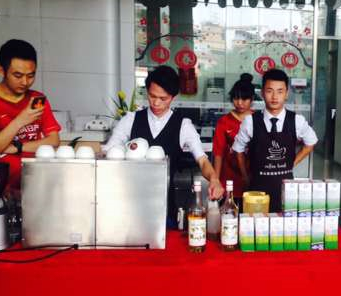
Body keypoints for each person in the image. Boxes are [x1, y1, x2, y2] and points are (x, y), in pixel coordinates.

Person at [103, 65, 224, 200]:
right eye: (152, 96)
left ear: (173, 97)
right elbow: (110, 151)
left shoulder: (183, 125)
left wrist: (214, 179)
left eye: (163, 98)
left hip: (165, 201)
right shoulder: (130, 119)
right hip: (129, 197)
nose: (156, 103)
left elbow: (202, 160)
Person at [0, 39, 61, 193]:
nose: (25, 82)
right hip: (3, 189)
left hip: (37, 184)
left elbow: (53, 141)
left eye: (30, 75)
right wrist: (20, 121)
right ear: (1, 71)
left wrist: (16, 148)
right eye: (17, 75)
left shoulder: (37, 99)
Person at [233, 69, 318, 212]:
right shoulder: (250, 121)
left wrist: (292, 163)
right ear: (262, 93)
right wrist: (245, 176)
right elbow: (238, 149)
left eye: (280, 91)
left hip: (286, 187)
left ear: (286, 94)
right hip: (257, 188)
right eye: (269, 91)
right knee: (256, 223)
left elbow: (311, 142)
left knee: (285, 223)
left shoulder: (297, 120)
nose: (274, 97)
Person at [213, 74, 255, 204]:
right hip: (229, 177)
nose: (240, 103)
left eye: (245, 99)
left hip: (253, 176)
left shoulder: (258, 119)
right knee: (229, 210)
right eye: (236, 98)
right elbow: (218, 153)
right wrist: (216, 180)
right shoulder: (224, 121)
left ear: (252, 99)